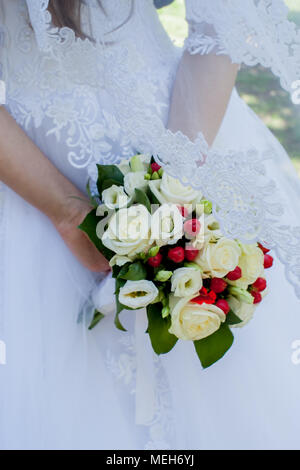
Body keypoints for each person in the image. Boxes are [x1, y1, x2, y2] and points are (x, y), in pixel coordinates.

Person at [0, 0, 300, 450]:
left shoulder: (181, 171)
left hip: (189, 136)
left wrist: (174, 185)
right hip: (30, 186)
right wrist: (68, 213)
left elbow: (226, 14)